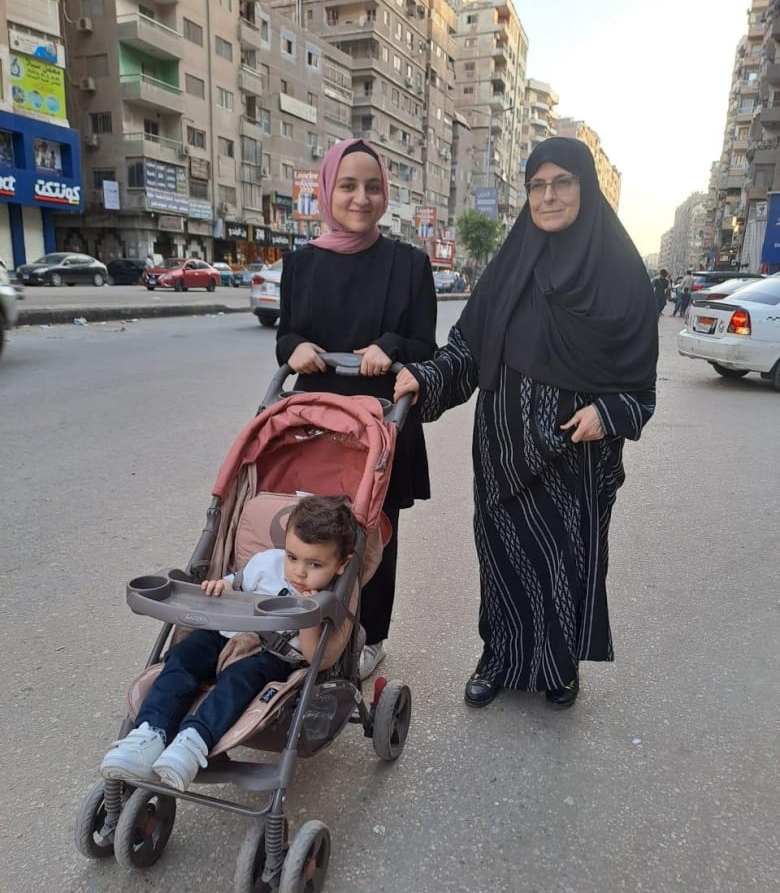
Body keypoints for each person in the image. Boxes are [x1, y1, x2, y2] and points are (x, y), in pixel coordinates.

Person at [394, 137, 658, 710]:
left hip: (576, 452)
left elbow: (639, 381)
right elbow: (468, 346)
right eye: (537, 184)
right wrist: (427, 376)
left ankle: (560, 668)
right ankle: (500, 659)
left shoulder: (620, 274)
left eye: (562, 182)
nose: (548, 195)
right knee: (504, 556)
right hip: (503, 448)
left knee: (566, 559)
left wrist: (607, 413)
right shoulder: (509, 265)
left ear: (584, 189)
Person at [276, 137, 437, 681]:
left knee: (375, 535)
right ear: (328, 189)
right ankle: (306, 625)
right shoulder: (300, 264)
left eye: (372, 187)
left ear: (385, 193)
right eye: (348, 185)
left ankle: (371, 638)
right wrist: (293, 346)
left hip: (381, 426)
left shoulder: (409, 265)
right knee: (315, 530)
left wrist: (388, 347)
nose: (361, 198)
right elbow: (287, 335)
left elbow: (425, 347)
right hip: (316, 424)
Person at [100, 495, 357, 790]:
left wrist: (310, 617)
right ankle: (148, 733)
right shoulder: (266, 564)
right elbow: (237, 582)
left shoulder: (330, 599)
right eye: (292, 557)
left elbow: (316, 658)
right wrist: (220, 585)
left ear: (341, 564)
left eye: (314, 564)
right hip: (228, 633)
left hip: (271, 654)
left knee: (239, 680)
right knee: (183, 656)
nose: (299, 572)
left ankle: (193, 742)